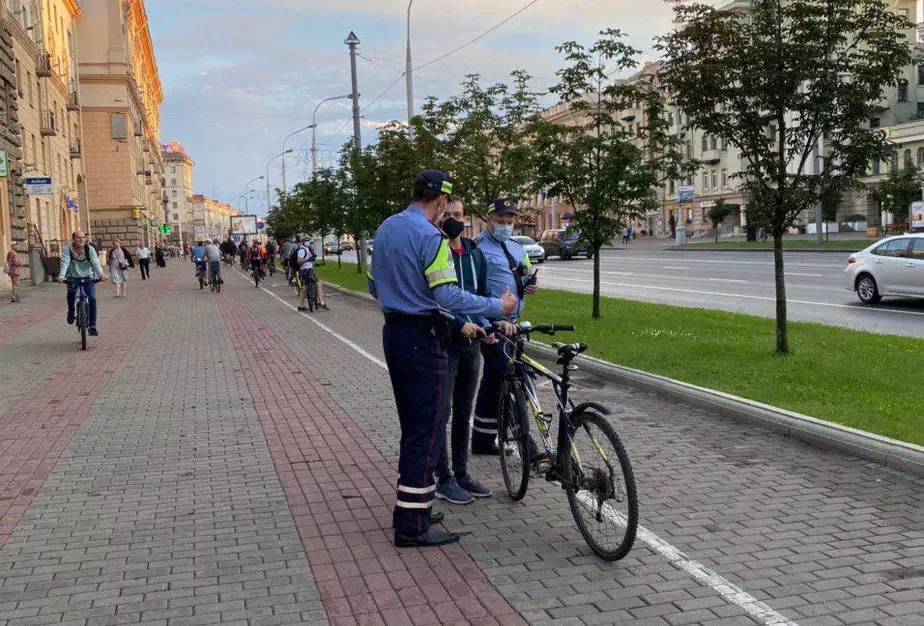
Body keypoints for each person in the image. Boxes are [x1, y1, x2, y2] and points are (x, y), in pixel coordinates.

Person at [367, 170, 517, 548]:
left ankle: (413, 509)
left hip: (394, 334)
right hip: (423, 338)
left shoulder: (386, 228)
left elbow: (372, 283)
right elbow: (448, 295)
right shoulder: (431, 238)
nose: (445, 214)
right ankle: (413, 527)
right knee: (427, 431)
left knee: (412, 428)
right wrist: (495, 305)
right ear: (438, 202)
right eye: (445, 207)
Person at [432, 199, 493, 505]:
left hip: (473, 344)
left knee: (464, 411)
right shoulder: (435, 251)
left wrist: (490, 325)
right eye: (448, 215)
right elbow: (437, 299)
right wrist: (459, 325)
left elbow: (482, 297)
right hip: (446, 341)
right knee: (442, 413)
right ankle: (443, 478)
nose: (454, 220)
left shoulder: (474, 254)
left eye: (458, 215)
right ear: (439, 218)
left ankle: (462, 473)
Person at [471, 199, 540, 456]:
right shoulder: (476, 248)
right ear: (489, 220)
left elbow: (524, 276)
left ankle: (482, 439)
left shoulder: (515, 247)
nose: (507, 227)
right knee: (508, 375)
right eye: (501, 222)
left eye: (510, 222)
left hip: (514, 325)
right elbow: (472, 286)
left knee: (492, 380)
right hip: (491, 323)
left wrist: (530, 284)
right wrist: (485, 323)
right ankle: (527, 444)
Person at [57, 230, 107, 336]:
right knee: (71, 294)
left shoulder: (90, 249)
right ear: (73, 240)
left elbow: (95, 262)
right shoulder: (67, 249)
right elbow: (65, 262)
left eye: (83, 237)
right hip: (72, 277)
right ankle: (71, 312)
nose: (81, 240)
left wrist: (101, 274)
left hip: (88, 277)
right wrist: (62, 275)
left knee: (92, 298)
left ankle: (92, 326)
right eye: (78, 238)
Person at [294, 236, 328, 311]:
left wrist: (315, 263)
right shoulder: (302, 250)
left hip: (309, 269)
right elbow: (299, 261)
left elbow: (311, 259)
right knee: (306, 288)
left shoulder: (308, 248)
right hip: (304, 270)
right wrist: (308, 260)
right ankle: (302, 305)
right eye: (306, 240)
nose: (308, 241)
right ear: (303, 242)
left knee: (317, 284)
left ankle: (320, 303)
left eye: (308, 240)